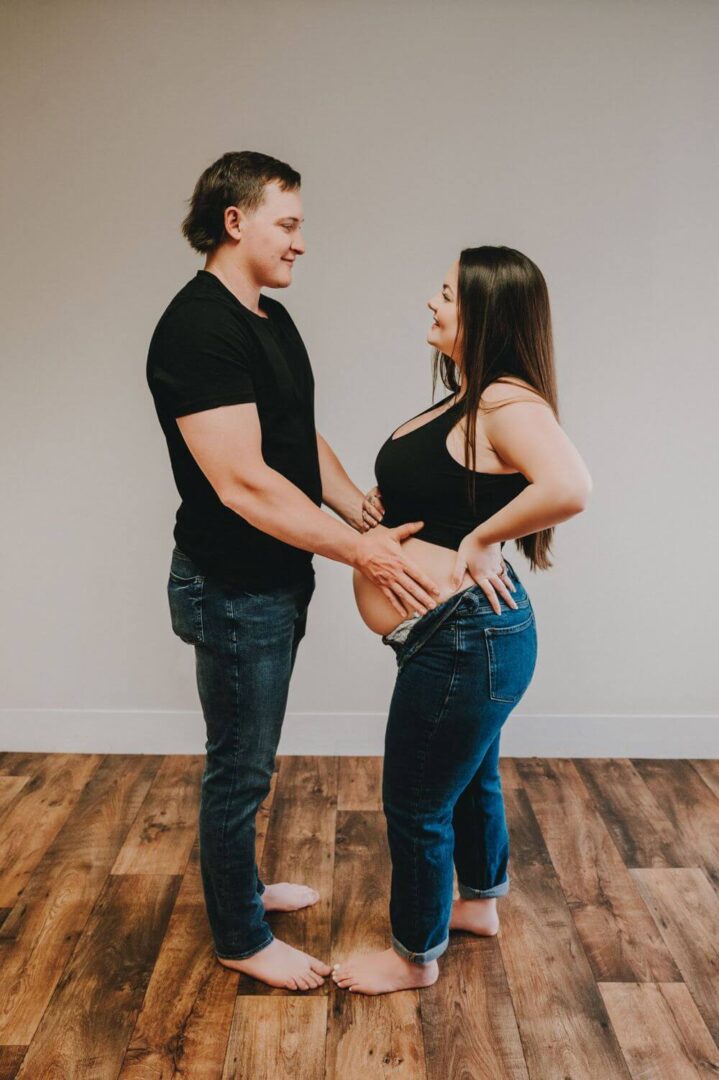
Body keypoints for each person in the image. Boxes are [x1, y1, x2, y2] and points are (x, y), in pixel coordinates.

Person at [146, 151, 441, 992]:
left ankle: (241, 887)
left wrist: (360, 511)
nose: (300, 242)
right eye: (288, 223)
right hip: (230, 586)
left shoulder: (267, 319)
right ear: (234, 222)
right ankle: (240, 933)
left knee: (251, 757)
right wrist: (363, 552)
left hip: (277, 578)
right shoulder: (197, 328)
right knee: (239, 765)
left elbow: (295, 439)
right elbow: (241, 482)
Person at [332, 245, 593, 995]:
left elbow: (569, 485)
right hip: (460, 639)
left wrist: (479, 540)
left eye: (446, 293)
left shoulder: (506, 402)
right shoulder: (468, 396)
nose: (432, 302)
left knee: (414, 800)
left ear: (484, 312)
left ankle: (414, 956)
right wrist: (387, 505)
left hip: (465, 636)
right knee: (470, 775)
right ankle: (477, 905)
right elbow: (446, 486)